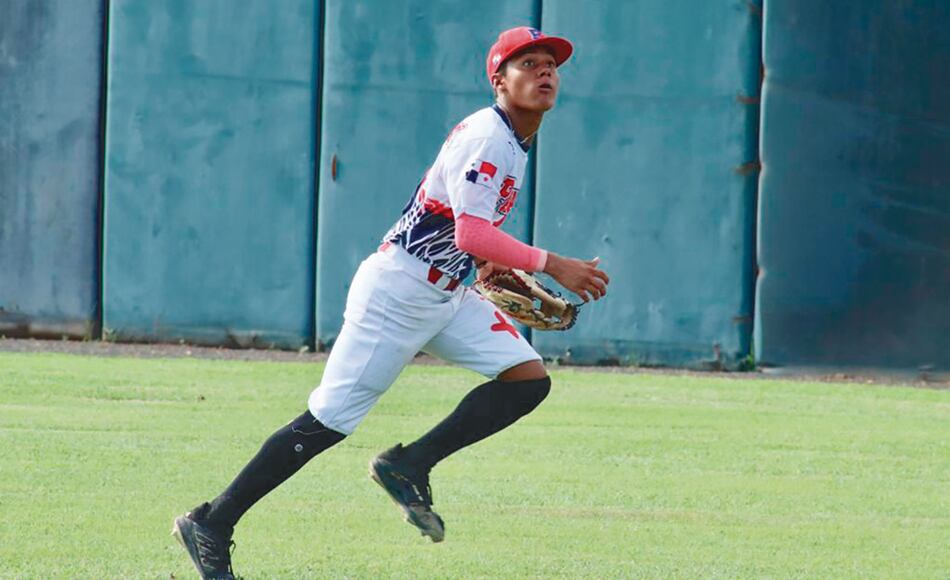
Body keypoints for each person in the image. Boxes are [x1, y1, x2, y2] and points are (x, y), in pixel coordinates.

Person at [172, 26, 609, 579]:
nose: (545, 72)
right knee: (327, 422)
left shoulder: (513, 137)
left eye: (551, 64)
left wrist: (485, 263)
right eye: (529, 64)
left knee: (527, 379)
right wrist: (551, 263)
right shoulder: (489, 137)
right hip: (398, 294)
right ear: (499, 79)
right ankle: (212, 521)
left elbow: (454, 223)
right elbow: (473, 233)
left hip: (446, 293)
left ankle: (408, 464)